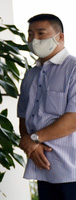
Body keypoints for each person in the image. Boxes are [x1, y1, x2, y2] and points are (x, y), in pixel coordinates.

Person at [17, 14, 76, 200]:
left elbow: (73, 120)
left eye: (41, 33)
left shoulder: (73, 69)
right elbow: (24, 116)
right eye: (30, 34)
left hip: (71, 168)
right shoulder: (30, 75)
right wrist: (32, 146)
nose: (34, 39)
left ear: (60, 37)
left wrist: (34, 139)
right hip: (42, 166)